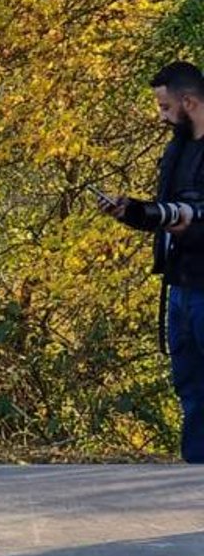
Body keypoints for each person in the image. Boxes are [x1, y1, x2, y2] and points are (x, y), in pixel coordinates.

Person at [96, 60, 204, 462]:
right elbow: (168, 213)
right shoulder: (177, 151)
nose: (161, 117)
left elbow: (190, 217)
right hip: (180, 288)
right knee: (191, 392)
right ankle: (196, 482)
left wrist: (183, 224)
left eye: (165, 108)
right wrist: (134, 212)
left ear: (189, 102)